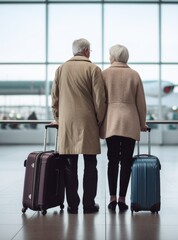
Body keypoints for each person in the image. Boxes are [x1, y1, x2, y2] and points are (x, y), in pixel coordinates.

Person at [51, 38, 106, 214]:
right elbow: (100, 100)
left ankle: (72, 205)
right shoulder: (93, 69)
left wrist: (58, 118)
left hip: (67, 123)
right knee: (90, 163)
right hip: (88, 122)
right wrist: (99, 120)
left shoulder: (61, 69)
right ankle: (89, 204)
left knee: (69, 164)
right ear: (87, 51)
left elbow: (55, 99)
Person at [100, 44, 148, 212]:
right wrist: (142, 122)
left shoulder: (104, 74)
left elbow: (100, 101)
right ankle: (122, 199)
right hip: (130, 121)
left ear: (113, 57)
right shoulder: (134, 75)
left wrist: (99, 120)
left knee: (112, 161)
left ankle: (112, 198)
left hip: (111, 121)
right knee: (126, 162)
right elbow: (141, 103)